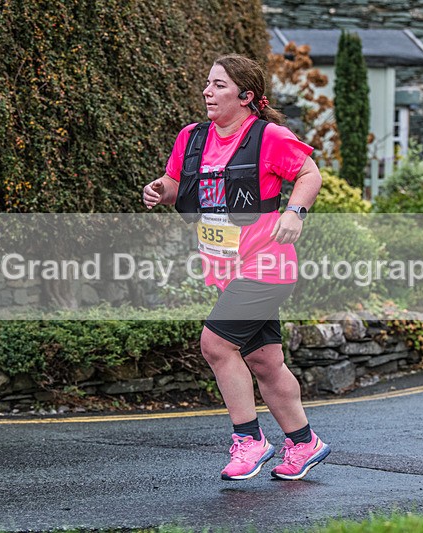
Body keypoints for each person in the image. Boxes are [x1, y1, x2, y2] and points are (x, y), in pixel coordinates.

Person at [142, 54, 329, 481]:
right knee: (265, 361)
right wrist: (159, 190)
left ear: (247, 97)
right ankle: (304, 443)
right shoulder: (191, 138)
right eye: (208, 83)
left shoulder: (269, 137)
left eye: (219, 85)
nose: (207, 91)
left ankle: (249, 439)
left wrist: (294, 212)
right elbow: (177, 185)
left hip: (267, 265)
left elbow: (309, 173)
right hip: (227, 268)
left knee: (216, 345)